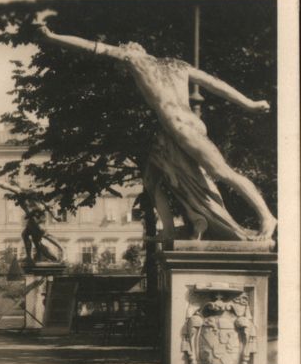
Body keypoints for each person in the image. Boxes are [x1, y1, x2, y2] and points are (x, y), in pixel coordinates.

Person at [33, 23, 276, 241]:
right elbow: (214, 83)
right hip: (179, 126)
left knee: (220, 171)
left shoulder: (134, 58)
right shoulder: (177, 64)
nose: (123, 64)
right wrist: (248, 103)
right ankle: (172, 229)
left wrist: (51, 37)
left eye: (123, 55)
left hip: (180, 126)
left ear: (132, 49)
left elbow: (91, 47)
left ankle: (266, 216)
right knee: (151, 179)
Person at [0, 171, 64, 264]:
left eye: (14, 181)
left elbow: (4, 185)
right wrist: (54, 216)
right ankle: (33, 257)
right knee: (28, 236)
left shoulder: (21, 191)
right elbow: (46, 204)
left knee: (44, 234)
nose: (13, 183)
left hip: (37, 217)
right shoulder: (29, 192)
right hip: (33, 218)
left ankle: (62, 250)